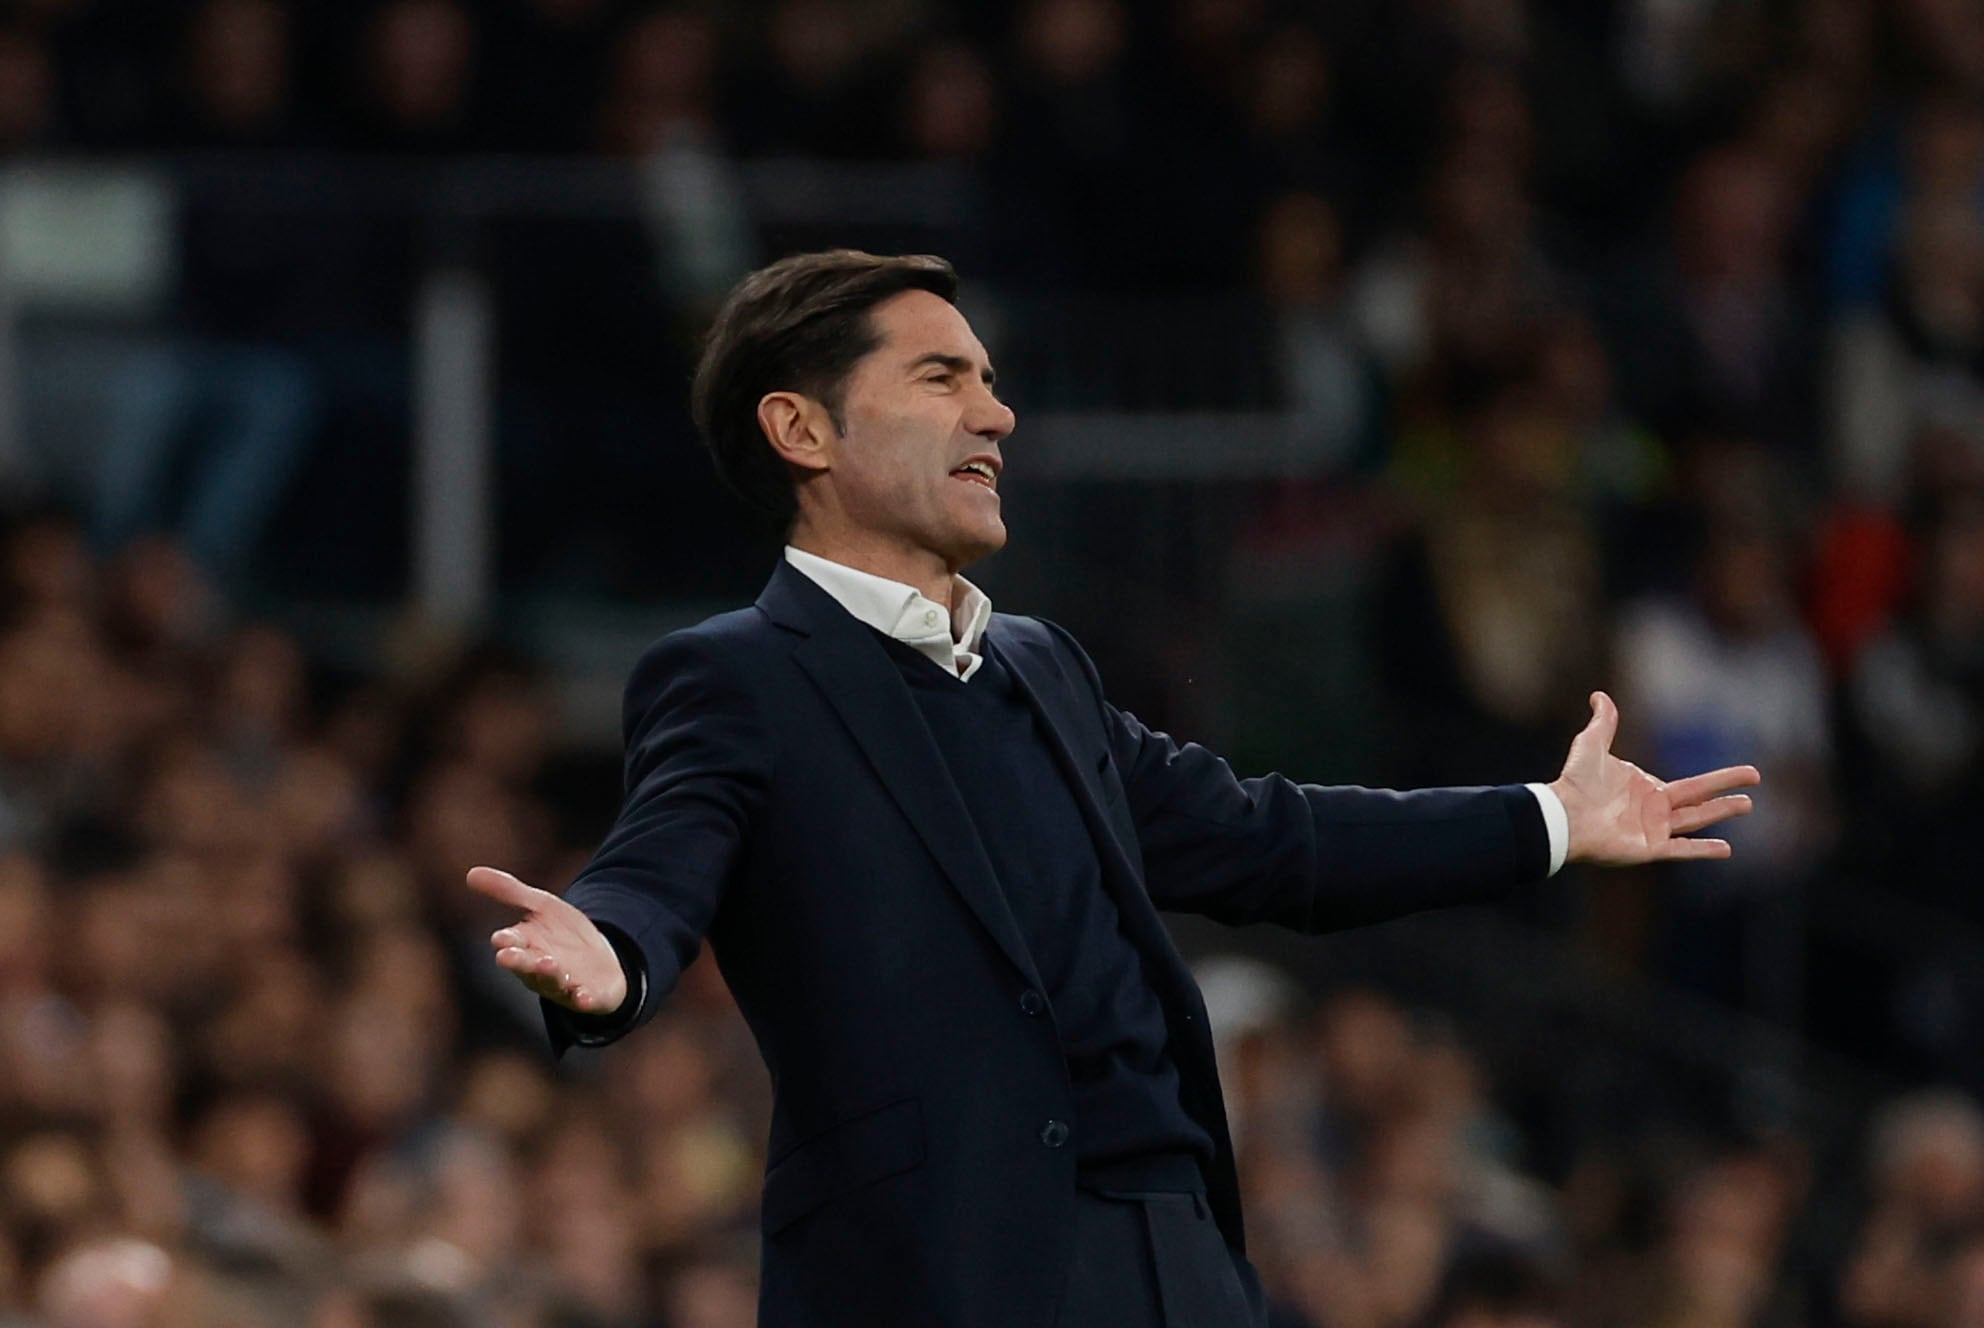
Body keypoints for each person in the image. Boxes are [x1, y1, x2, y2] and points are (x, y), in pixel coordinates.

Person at [468, 250, 1759, 1328]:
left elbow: (1269, 841)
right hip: (942, 1279)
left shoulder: (1047, 668)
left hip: (1177, 1261)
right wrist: (617, 952)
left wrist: (1547, 820)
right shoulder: (734, 676)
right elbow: (663, 859)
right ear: (802, 428)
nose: (998, 413)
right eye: (942, 376)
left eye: (991, 378)